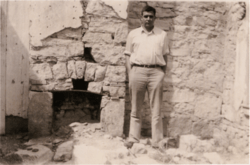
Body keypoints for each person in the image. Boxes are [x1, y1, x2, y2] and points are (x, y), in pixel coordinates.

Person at [124, 5, 170, 149]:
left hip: (156, 73)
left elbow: (165, 56)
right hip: (137, 71)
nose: (148, 19)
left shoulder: (162, 35)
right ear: (141, 18)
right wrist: (131, 73)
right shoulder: (133, 34)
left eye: (151, 16)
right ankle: (133, 138)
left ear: (155, 18)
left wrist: (162, 73)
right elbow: (127, 55)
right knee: (136, 107)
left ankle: (157, 141)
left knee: (156, 109)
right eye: (145, 16)